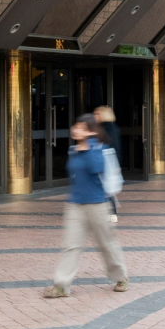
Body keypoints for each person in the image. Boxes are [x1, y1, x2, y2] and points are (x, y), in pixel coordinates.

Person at [43, 114, 129, 298]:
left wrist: (89, 146)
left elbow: (97, 169)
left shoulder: (99, 150)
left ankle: (121, 277)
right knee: (71, 246)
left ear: (91, 131)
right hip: (75, 204)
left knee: (107, 244)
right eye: (76, 126)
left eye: (81, 128)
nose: (76, 130)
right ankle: (62, 286)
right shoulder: (73, 150)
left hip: (98, 204)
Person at [93, 105, 121, 223]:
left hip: (106, 160)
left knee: (105, 187)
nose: (95, 116)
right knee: (105, 187)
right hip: (105, 160)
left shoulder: (107, 128)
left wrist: (115, 165)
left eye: (97, 114)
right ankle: (110, 212)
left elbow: (114, 147)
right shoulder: (105, 127)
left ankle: (111, 212)